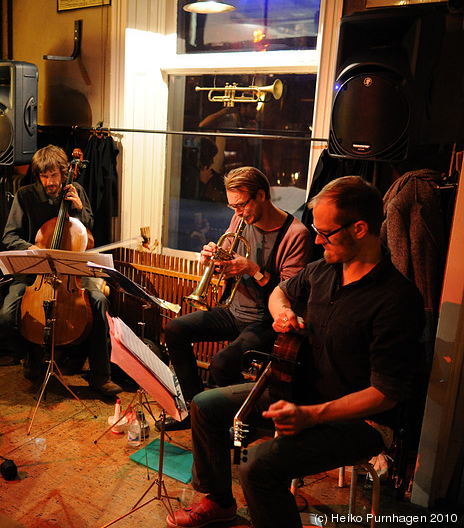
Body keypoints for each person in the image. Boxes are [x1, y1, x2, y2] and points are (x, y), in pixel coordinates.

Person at [166, 176, 426, 528]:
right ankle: (220, 501)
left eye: (325, 233)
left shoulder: (397, 300)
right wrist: (283, 313)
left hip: (360, 421)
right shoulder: (323, 271)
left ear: (360, 228)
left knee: (257, 464)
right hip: (301, 391)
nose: (317, 241)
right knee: (206, 406)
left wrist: (312, 414)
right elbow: (279, 292)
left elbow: (385, 395)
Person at [161, 167, 311, 430]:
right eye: (232, 207)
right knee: (174, 329)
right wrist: (213, 260)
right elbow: (228, 260)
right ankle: (195, 410)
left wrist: (253, 269)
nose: (237, 214)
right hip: (233, 310)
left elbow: (292, 293)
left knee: (221, 365)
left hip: (266, 321)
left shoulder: (295, 234)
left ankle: (244, 422)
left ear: (261, 195)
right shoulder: (240, 220)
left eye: (241, 205)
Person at [0, 144, 122, 397]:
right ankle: (31, 355)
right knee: (5, 318)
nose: (49, 182)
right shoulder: (25, 195)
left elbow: (88, 233)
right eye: (44, 176)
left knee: (98, 302)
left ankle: (100, 376)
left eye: (54, 175)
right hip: (34, 275)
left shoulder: (77, 192)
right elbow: (9, 236)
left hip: (70, 275)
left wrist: (78, 209)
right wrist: (33, 248)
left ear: (64, 173)